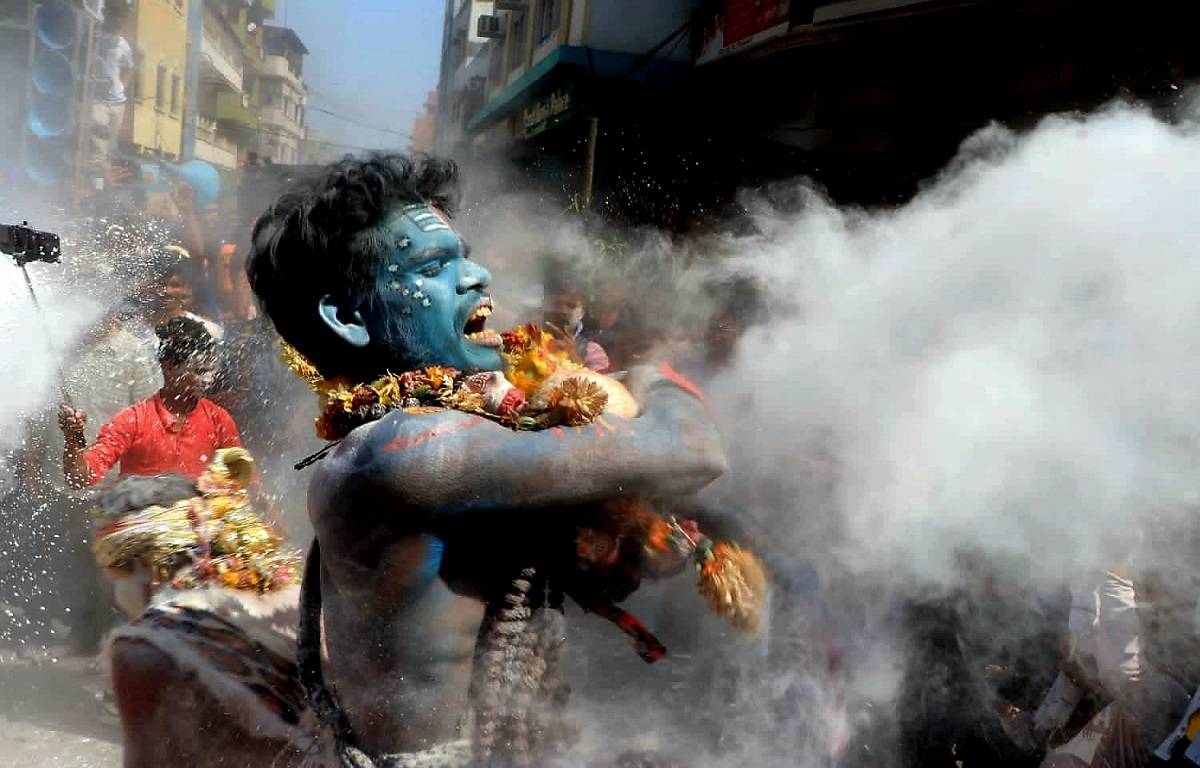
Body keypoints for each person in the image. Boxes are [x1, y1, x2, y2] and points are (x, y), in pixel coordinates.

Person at [108, 153, 728, 767]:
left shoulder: (458, 432)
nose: (478, 276)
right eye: (435, 265)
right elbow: (692, 451)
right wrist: (658, 376)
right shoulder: (404, 451)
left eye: (465, 254)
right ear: (347, 318)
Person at [59, 316, 240, 488]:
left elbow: (241, 478)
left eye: (210, 370)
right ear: (169, 367)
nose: (208, 380)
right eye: (199, 371)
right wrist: (73, 437)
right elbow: (79, 479)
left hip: (203, 518)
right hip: (143, 517)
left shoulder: (219, 419)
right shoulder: (132, 421)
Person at [89, 2, 134, 190]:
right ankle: (96, 187)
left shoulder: (123, 44)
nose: (118, 20)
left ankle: (104, 187)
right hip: (98, 100)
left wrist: (123, 86)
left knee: (109, 146)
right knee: (98, 146)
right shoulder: (94, 38)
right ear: (106, 15)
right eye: (114, 16)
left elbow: (129, 67)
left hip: (118, 102)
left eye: (121, 17)